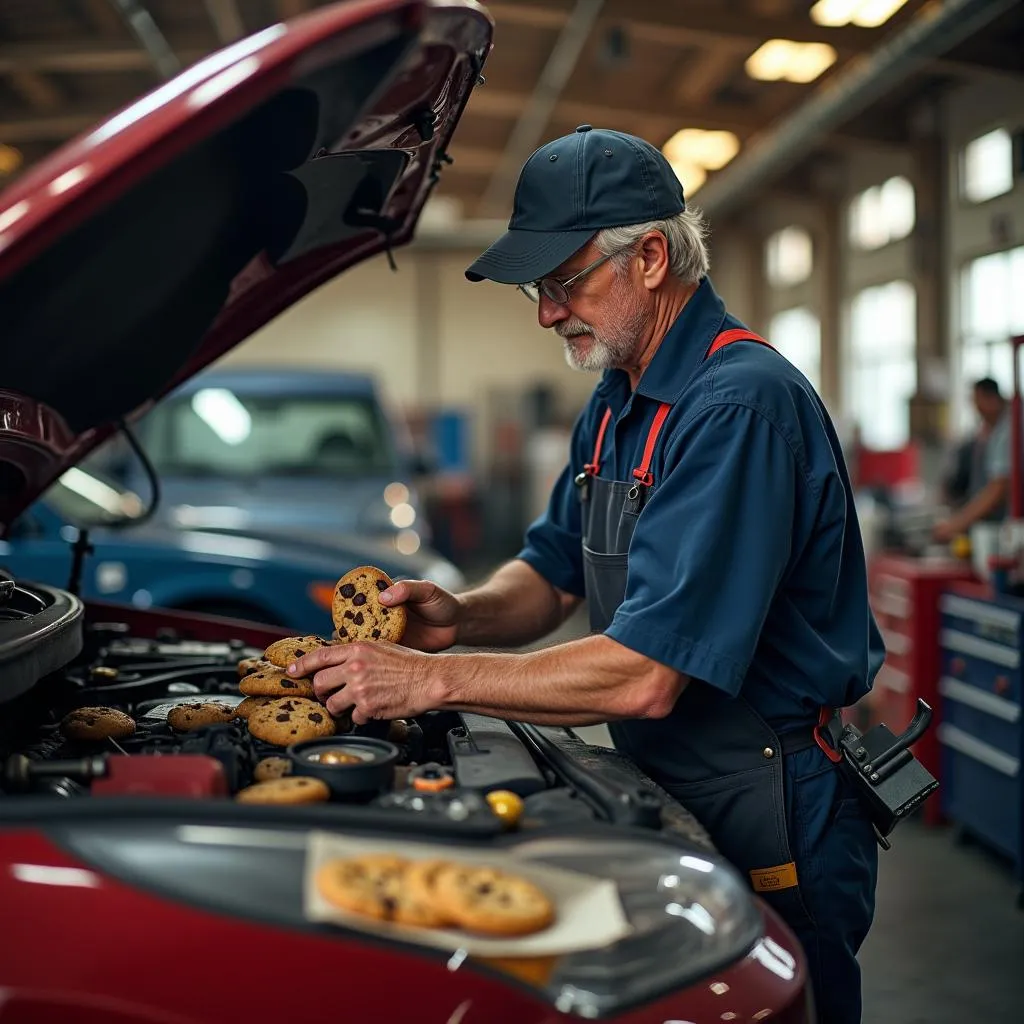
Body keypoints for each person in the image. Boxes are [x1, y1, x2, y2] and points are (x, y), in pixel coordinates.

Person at [289, 126, 884, 1023]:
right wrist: (463, 617)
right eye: (540, 287)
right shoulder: (616, 399)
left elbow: (646, 674)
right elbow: (555, 571)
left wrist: (431, 678)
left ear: (650, 257)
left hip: (773, 796)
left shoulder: (737, 407)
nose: (545, 313)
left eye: (563, 283)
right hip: (672, 782)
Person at [934, 377, 1011, 542]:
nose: (977, 410)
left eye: (978, 402)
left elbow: (998, 489)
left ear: (992, 399)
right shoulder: (990, 433)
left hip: (1004, 528)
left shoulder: (1007, 431)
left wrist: (956, 524)